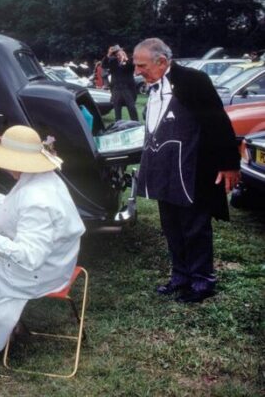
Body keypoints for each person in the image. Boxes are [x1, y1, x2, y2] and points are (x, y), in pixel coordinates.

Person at [0, 125, 85, 352]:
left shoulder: (37, 199)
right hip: (59, 261)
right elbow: (18, 204)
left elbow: (30, 257)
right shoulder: (42, 177)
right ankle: (1, 325)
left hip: (41, 273)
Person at [133, 38, 241, 303]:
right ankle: (180, 277)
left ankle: (202, 282)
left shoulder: (193, 81)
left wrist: (228, 164)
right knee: (171, 226)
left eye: (141, 65)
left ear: (161, 61)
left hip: (192, 168)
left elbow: (218, 121)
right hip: (164, 168)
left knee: (194, 227)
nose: (137, 72)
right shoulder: (153, 86)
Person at [102, 45, 138, 121]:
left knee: (132, 108)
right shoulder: (113, 62)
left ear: (124, 53)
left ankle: (135, 123)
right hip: (116, 89)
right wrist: (108, 54)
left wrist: (124, 59)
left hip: (127, 89)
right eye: (117, 54)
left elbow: (131, 66)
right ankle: (118, 124)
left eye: (120, 54)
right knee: (117, 109)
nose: (118, 56)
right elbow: (104, 65)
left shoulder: (129, 62)